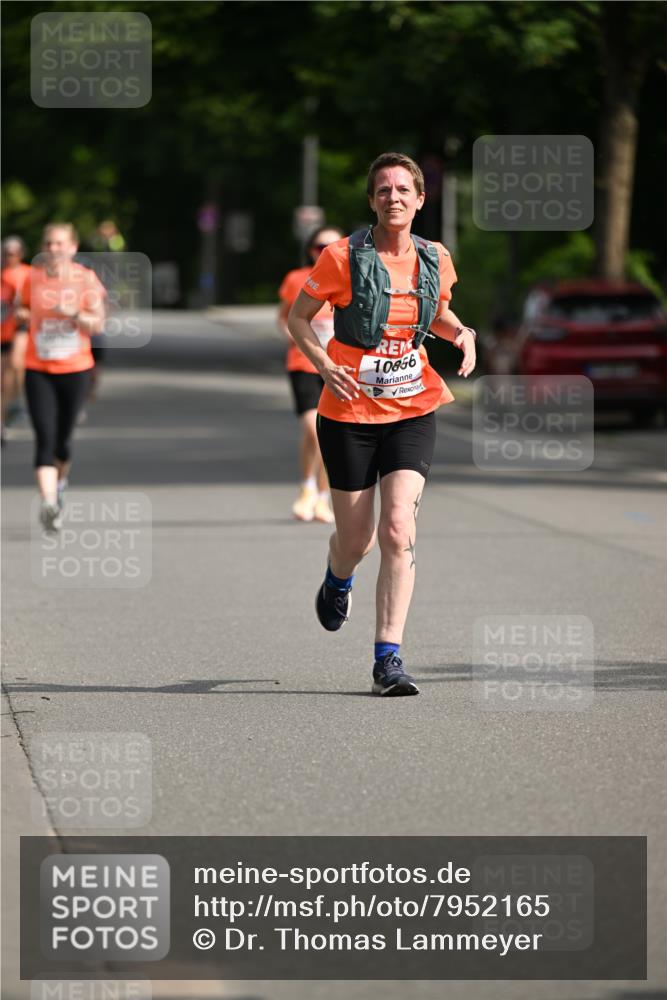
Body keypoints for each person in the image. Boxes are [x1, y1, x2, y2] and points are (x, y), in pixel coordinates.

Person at [288, 152, 476, 697]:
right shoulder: (341, 256)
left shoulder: (435, 257)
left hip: (412, 406)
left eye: (403, 190)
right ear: (372, 201)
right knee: (358, 539)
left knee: (398, 530)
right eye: (383, 190)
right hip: (347, 412)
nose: (394, 197)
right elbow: (299, 317)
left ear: (420, 200)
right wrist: (323, 363)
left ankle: (388, 659)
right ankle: (336, 577)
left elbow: (433, 311)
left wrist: (461, 331)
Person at [22, 223, 106, 532]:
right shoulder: (32, 279)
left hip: (75, 369)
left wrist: (72, 313)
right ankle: (48, 502)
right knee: (44, 440)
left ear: (72, 247)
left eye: (60, 243)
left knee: (63, 444)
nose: (53, 249)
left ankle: (59, 485)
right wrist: (21, 314)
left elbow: (97, 325)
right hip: (38, 368)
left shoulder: (85, 280)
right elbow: (22, 309)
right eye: (48, 243)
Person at [278, 226, 343, 523]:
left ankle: (319, 496)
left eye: (332, 247)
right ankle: (310, 490)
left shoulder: (350, 277)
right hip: (304, 364)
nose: (325, 252)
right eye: (320, 247)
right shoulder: (295, 279)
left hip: (339, 367)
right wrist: (293, 335)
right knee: (314, 430)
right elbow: (284, 318)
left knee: (326, 433)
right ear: (310, 250)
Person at [1, 235, 31, 440]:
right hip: (3, 331)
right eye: (5, 253)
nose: (8, 257)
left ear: (20, 254)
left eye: (12, 253)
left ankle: (16, 402)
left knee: (17, 363)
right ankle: (4, 418)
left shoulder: (29, 273)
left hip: (20, 328)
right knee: (3, 378)